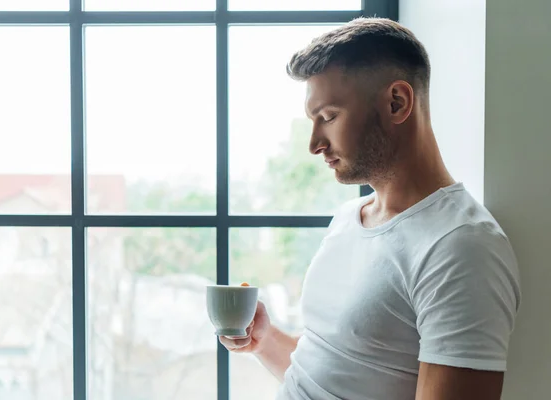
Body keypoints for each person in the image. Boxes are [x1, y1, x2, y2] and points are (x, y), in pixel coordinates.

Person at [219, 17, 521, 400]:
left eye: (328, 117)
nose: (314, 143)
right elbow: (339, 374)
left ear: (397, 102)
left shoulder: (462, 248)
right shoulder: (350, 217)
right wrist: (265, 341)